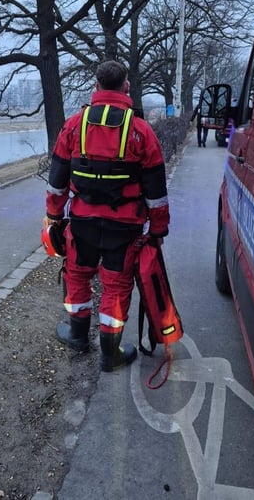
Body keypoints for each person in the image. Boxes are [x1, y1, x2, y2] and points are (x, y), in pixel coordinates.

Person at [45, 60, 170, 372]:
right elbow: (156, 192)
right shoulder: (141, 131)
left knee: (77, 275)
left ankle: (77, 338)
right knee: (116, 285)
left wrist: (54, 216)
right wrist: (158, 231)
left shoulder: (73, 126)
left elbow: (57, 180)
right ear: (126, 86)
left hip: (82, 223)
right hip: (124, 228)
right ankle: (109, 355)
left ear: (96, 87)